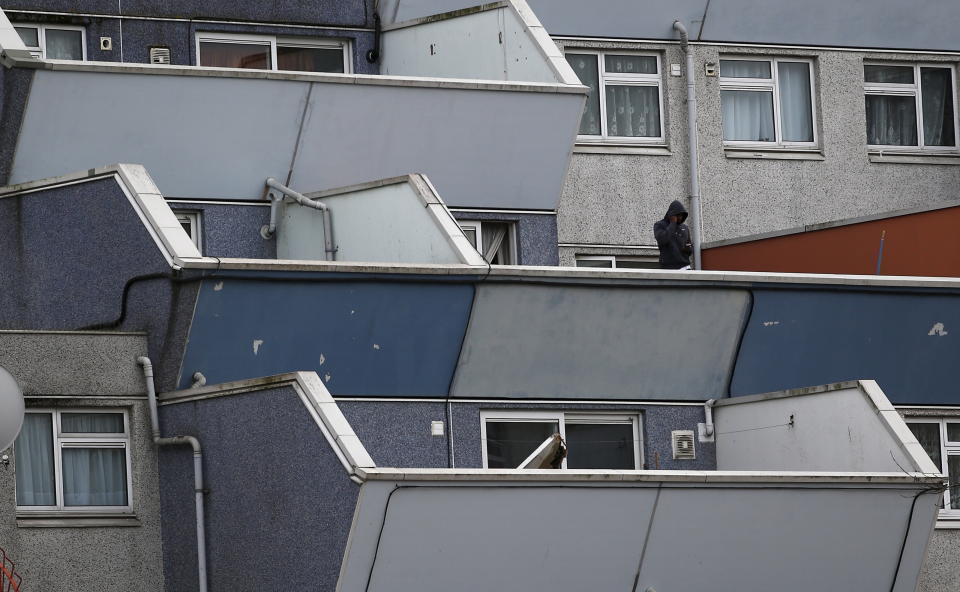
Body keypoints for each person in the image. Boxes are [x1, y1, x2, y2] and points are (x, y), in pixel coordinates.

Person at [653, 200, 693, 269]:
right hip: (669, 267)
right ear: (672, 215)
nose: (680, 218)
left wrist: (688, 249)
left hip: (685, 266)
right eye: (678, 215)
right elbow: (663, 240)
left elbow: (689, 246)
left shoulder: (684, 228)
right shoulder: (659, 225)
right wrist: (673, 223)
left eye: (682, 215)